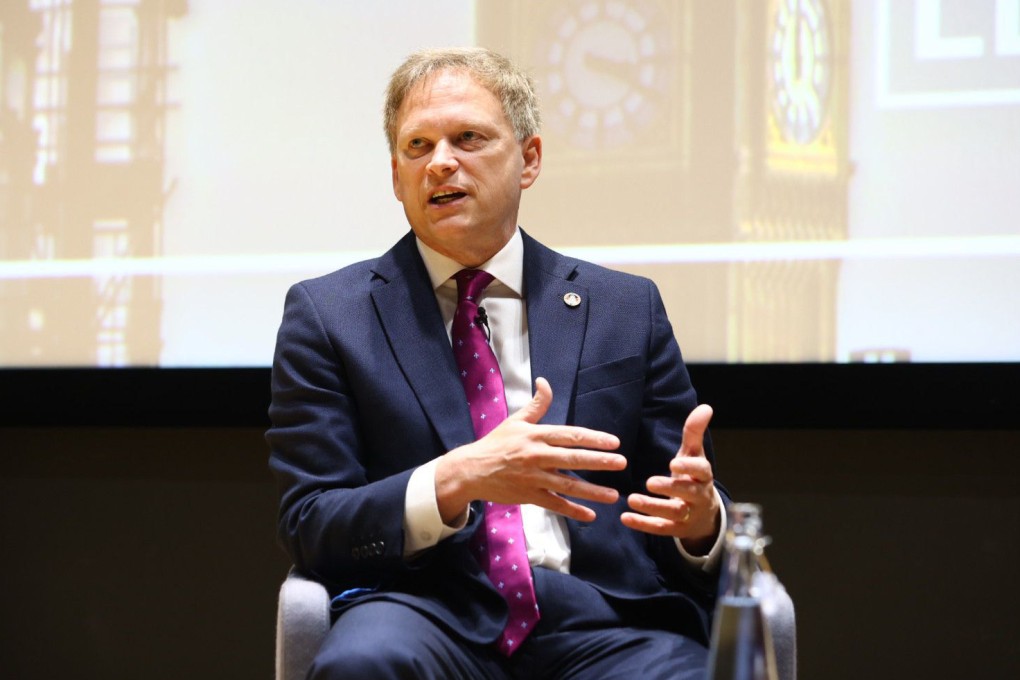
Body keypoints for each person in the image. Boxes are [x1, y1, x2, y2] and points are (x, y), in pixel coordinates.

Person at [267, 46, 726, 680]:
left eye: (468, 138)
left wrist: (700, 525)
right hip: (420, 606)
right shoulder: (329, 316)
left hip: (599, 615)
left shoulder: (626, 308)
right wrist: (459, 477)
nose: (441, 163)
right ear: (396, 177)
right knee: (361, 664)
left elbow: (679, 495)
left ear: (529, 158)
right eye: (417, 146)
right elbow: (313, 520)